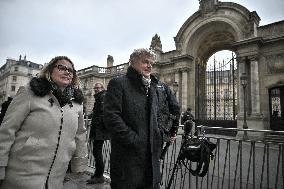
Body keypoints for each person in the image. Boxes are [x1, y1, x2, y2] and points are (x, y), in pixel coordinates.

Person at [0, 56, 88, 189]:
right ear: (50, 71)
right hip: (22, 174)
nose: (67, 72)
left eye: (71, 70)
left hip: (56, 179)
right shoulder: (29, 92)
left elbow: (80, 134)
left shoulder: (77, 103)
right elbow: (7, 130)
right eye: (61, 67)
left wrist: (79, 162)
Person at [104, 48, 179, 189]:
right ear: (132, 63)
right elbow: (111, 117)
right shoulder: (118, 83)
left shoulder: (155, 87)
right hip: (127, 158)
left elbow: (167, 111)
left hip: (152, 156)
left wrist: (164, 133)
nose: (150, 66)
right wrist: (135, 140)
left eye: (151, 62)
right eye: (145, 62)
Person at [87, 82, 110, 184]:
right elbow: (96, 112)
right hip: (98, 129)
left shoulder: (103, 97)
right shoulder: (99, 97)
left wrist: (99, 125)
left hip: (99, 130)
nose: (96, 89)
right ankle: (98, 173)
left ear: (102, 88)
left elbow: (104, 113)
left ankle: (99, 175)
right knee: (96, 152)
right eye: (95, 88)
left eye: (98, 88)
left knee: (97, 152)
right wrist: (89, 116)